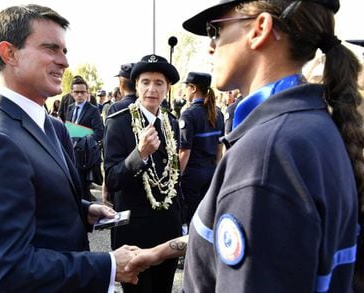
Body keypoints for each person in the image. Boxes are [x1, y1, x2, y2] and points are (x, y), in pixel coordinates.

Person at [126, 0, 364, 292]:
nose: (210, 46)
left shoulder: (267, 154)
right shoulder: (308, 125)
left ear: (260, 29)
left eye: (216, 30)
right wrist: (160, 252)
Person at [0, 5, 143, 292]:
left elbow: (38, 200)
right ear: (9, 53)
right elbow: (12, 267)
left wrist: (85, 210)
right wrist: (110, 265)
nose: (64, 62)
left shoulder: (51, 125)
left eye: (65, 51)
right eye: (51, 49)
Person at [104, 54, 183, 293]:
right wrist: (140, 154)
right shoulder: (119, 122)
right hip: (134, 233)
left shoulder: (171, 122)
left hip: (167, 229)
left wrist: (182, 220)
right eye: (146, 82)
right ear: (136, 85)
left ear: (167, 88)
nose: (152, 89)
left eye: (159, 83)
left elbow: (174, 177)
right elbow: (113, 178)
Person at [178, 72, 224, 226]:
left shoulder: (188, 115)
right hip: (210, 170)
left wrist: (177, 178)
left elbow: (184, 151)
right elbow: (219, 147)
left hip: (192, 174)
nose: (185, 91)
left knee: (191, 217)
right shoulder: (217, 113)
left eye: (186, 87)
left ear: (193, 88)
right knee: (205, 216)